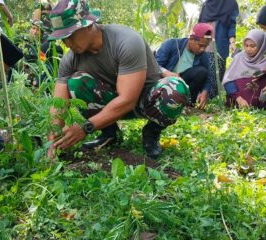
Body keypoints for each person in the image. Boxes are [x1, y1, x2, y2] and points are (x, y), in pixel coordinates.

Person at [47, 0, 190, 159]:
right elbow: (58, 104)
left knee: (175, 89)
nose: (68, 43)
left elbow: (128, 99)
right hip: (112, 102)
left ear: (88, 25)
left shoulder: (125, 40)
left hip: (147, 101)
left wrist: (85, 128)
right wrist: (53, 139)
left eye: (70, 35)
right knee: (75, 83)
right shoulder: (71, 59)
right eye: (63, 39)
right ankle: (109, 133)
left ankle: (152, 132)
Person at [155, 23, 213, 109]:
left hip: (184, 83)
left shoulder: (203, 55)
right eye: (200, 45)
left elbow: (208, 77)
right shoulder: (171, 44)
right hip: (166, 83)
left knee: (202, 72)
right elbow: (154, 65)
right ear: (191, 38)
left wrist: (205, 92)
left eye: (205, 46)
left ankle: (188, 104)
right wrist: (165, 72)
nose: (202, 49)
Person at [198, 0, 239, 98]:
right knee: (205, 70)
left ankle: (211, 97)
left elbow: (231, 25)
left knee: (218, 72)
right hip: (204, 43)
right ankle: (201, 96)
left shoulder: (230, 3)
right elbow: (199, 24)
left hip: (220, 43)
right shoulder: (206, 4)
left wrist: (232, 42)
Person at [222, 29, 266, 109]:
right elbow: (227, 81)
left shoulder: (264, 63)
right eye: (246, 45)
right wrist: (238, 98)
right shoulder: (238, 58)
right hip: (237, 103)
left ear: (261, 46)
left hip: (259, 106)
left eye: (252, 46)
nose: (248, 49)